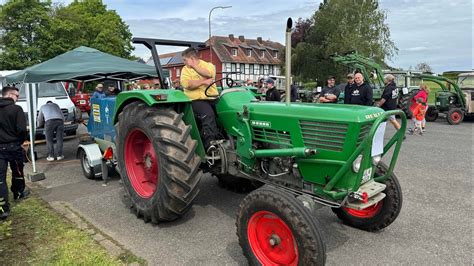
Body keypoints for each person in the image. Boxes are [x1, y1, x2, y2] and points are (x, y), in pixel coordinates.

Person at [180, 47, 222, 152]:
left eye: (185, 60)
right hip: (196, 100)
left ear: (192, 58)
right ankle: (210, 145)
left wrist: (194, 67)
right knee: (207, 113)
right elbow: (187, 84)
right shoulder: (185, 69)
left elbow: (209, 74)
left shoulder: (208, 65)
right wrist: (203, 82)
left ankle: (224, 138)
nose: (184, 62)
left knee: (224, 114)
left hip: (212, 98)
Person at [0, 86, 30, 220]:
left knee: (0, 179)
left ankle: (2, 209)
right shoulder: (16, 109)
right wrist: (21, 140)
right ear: (10, 95)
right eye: (17, 96)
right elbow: (21, 129)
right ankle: (18, 193)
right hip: (14, 146)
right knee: (18, 171)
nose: (17, 99)